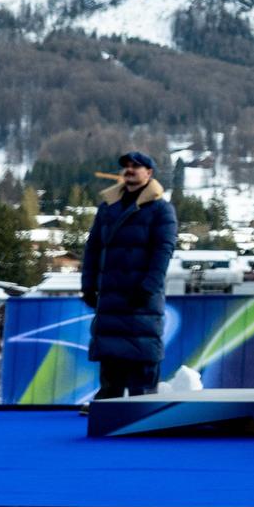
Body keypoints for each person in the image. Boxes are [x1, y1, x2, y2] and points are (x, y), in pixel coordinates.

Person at [80, 151, 178, 400]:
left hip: (140, 298)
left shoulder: (161, 210)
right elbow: (93, 248)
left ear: (150, 173)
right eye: (127, 166)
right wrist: (88, 285)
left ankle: (142, 409)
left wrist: (148, 287)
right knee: (111, 355)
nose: (130, 170)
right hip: (111, 296)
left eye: (137, 166)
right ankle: (107, 403)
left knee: (142, 354)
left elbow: (162, 252)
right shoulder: (108, 207)